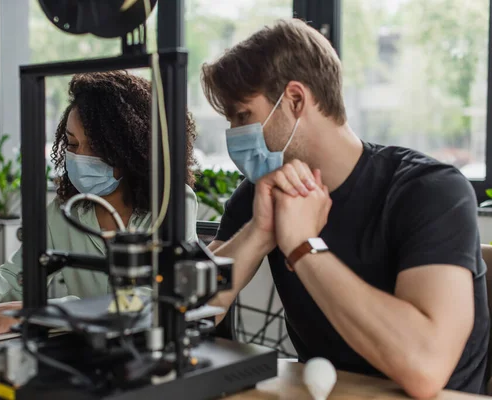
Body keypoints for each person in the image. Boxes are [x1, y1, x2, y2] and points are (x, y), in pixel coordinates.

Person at [202, 18, 489, 397]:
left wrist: (304, 245)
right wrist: (259, 232)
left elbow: (425, 368)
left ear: (295, 100)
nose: (234, 137)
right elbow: (187, 317)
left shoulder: (429, 190)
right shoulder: (260, 195)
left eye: (242, 117)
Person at [0, 71, 199, 339]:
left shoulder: (174, 204)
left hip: (149, 350)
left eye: (97, 149)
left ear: (134, 149)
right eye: (72, 144)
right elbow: (16, 275)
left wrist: (39, 311)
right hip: (84, 348)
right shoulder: (65, 210)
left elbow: (153, 299)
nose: (81, 158)